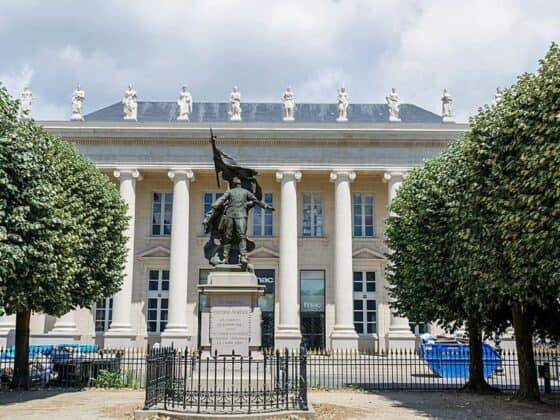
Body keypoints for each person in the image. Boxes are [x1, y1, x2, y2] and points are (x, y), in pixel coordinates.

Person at [210, 177, 274, 265]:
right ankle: (243, 256)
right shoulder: (245, 192)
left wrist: (215, 204)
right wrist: (266, 206)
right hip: (241, 216)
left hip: (231, 216)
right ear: (240, 184)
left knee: (227, 237)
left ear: (233, 184)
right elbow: (256, 200)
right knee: (241, 236)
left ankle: (225, 257)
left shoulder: (231, 191)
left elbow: (222, 199)